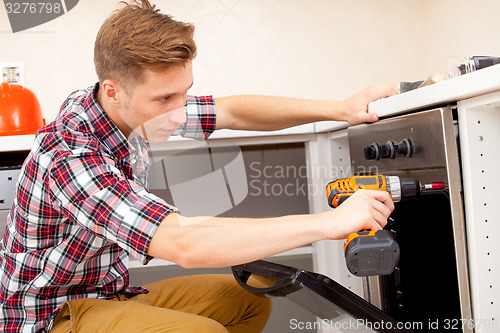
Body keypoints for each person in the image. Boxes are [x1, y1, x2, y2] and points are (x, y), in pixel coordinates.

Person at [0, 1, 398, 332]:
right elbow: (184, 244)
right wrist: (329, 223)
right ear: (113, 91)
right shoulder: (71, 155)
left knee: (247, 300)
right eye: (165, 99)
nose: (179, 112)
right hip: (51, 316)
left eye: (184, 93)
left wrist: (339, 109)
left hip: (106, 292)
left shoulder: (127, 107)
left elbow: (231, 111)